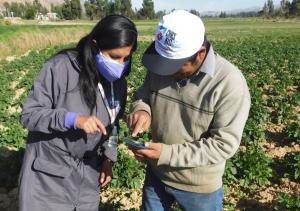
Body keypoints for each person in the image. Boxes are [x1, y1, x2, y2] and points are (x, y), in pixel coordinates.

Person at [127, 10, 251, 211]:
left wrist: (166, 154)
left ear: (200, 54)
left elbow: (223, 144)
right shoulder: (161, 66)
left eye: (174, 66)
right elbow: (143, 94)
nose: (165, 71)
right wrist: (142, 110)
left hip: (198, 187)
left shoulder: (229, 83)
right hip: (157, 174)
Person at [19, 15, 137, 211]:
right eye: (115, 57)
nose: (121, 64)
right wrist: (72, 119)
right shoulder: (61, 68)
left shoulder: (118, 83)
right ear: (95, 44)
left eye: (127, 57)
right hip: (49, 178)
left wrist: (109, 158)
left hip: (88, 178)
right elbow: (29, 115)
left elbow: (113, 125)